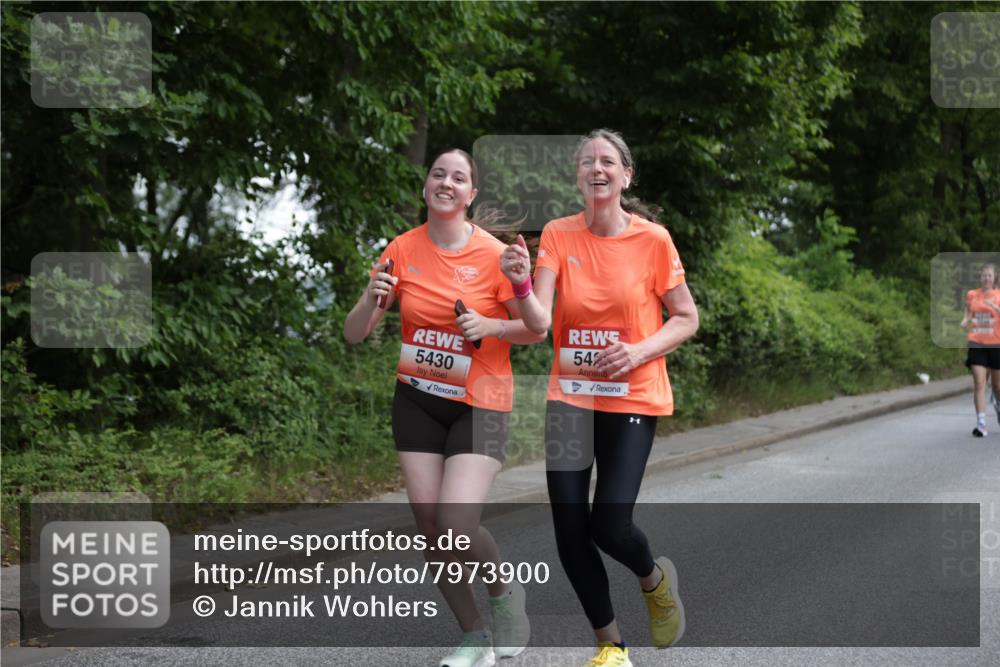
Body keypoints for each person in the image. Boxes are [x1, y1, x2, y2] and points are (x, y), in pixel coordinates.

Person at [501, 129, 699, 667]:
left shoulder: (653, 240)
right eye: (587, 161)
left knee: (609, 525)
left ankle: (654, 580)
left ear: (625, 174)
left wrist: (637, 352)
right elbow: (538, 324)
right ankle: (611, 645)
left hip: (633, 397)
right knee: (569, 529)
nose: (597, 168)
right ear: (578, 177)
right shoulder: (560, 236)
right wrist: (520, 286)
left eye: (607, 161)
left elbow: (686, 317)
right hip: (571, 397)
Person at [344, 148, 541, 667]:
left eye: (459, 177)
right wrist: (370, 296)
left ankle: (502, 594)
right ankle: (474, 636)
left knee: (455, 523)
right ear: (427, 186)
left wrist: (492, 326)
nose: (446, 183)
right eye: (438, 174)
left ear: (471, 194)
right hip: (418, 400)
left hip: (480, 402)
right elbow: (354, 334)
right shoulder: (402, 250)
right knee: (430, 525)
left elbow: (535, 331)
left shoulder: (494, 255)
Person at [960, 262, 1000, 437]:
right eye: (984, 275)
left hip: (996, 344)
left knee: (998, 387)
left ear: (994, 278)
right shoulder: (972, 294)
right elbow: (969, 311)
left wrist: (996, 308)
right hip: (977, 342)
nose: (986, 278)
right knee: (979, 382)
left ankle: (998, 406)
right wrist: (965, 320)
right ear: (980, 277)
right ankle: (981, 424)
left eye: (989, 276)